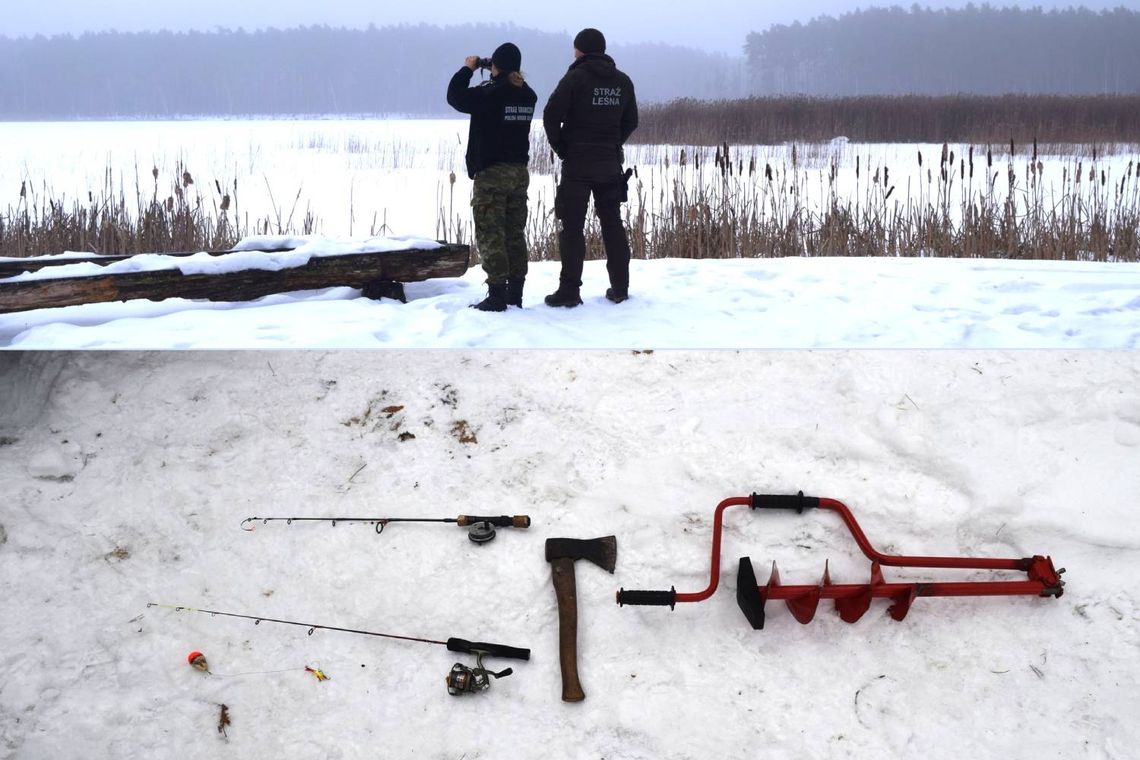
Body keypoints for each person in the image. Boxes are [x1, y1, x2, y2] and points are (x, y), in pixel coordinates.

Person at [542, 28, 638, 307]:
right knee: (612, 224)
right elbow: (631, 121)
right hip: (609, 165)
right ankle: (620, 288)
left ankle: (570, 291)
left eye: (575, 49)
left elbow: (550, 114)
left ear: (580, 50)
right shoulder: (623, 81)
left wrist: (562, 148)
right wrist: (611, 142)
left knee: (572, 226)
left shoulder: (575, 77)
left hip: (577, 166)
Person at [446, 43, 537, 311]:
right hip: (519, 173)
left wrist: (468, 68)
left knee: (490, 232)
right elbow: (509, 84)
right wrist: (495, 69)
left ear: (494, 65)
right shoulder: (527, 94)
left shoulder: (491, 93)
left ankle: (497, 293)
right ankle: (515, 292)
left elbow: (455, 97)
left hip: (492, 172)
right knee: (514, 232)